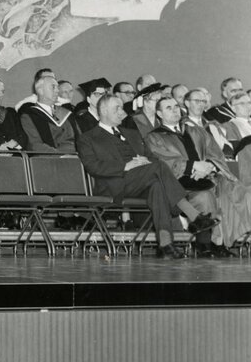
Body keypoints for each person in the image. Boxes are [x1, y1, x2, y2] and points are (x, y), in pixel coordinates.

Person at [76, 94, 216, 258]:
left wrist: (144, 160)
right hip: (114, 186)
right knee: (159, 168)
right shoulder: (88, 138)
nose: (123, 112)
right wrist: (125, 166)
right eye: (118, 108)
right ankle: (193, 215)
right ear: (104, 111)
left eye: (122, 107)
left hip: (142, 183)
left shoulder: (132, 134)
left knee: (157, 187)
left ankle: (165, 245)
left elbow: (153, 158)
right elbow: (93, 166)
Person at [146, 96, 251, 256]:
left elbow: (216, 153)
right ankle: (205, 244)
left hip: (207, 178)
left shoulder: (196, 131)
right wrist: (192, 166)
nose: (175, 110)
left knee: (237, 193)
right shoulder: (154, 137)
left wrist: (208, 166)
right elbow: (161, 161)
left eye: (176, 106)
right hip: (177, 186)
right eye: (168, 108)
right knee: (205, 196)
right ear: (158, 113)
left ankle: (222, 242)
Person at [18, 73, 76, 152]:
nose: (57, 91)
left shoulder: (66, 113)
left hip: (73, 158)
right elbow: (34, 144)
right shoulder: (29, 116)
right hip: (47, 160)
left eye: (57, 88)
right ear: (40, 90)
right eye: (53, 87)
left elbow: (78, 139)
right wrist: (60, 155)